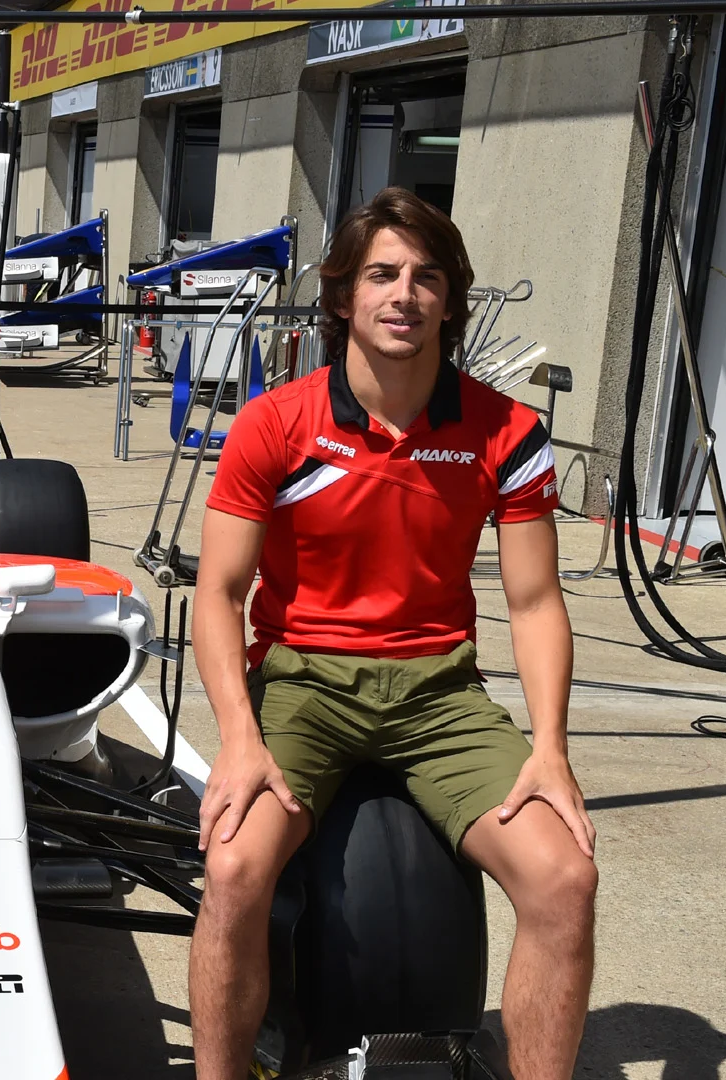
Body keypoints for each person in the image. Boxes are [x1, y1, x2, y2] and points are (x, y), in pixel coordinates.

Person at [188, 187, 597, 1080]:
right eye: (381, 274)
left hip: (437, 693)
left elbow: (534, 603)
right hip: (303, 684)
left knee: (566, 882)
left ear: (451, 300)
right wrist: (239, 739)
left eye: (426, 277)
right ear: (343, 298)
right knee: (232, 874)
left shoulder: (510, 433)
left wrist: (552, 748)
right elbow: (217, 593)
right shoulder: (274, 424)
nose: (403, 294)